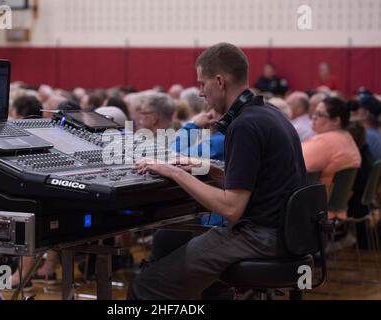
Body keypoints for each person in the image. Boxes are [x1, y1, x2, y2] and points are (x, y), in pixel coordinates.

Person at [129, 42, 306, 300]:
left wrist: (176, 173)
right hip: (286, 232)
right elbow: (263, 184)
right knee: (205, 281)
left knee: (145, 286)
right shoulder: (270, 114)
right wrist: (208, 169)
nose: (201, 93)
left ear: (220, 81)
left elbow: (231, 208)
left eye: (202, 84)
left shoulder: (244, 126)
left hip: (260, 236)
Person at [302, 97, 361, 219]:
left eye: (319, 114)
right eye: (314, 113)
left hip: (312, 216)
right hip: (334, 214)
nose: (313, 117)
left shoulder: (324, 142)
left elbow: (292, 165)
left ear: (336, 121)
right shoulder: (347, 138)